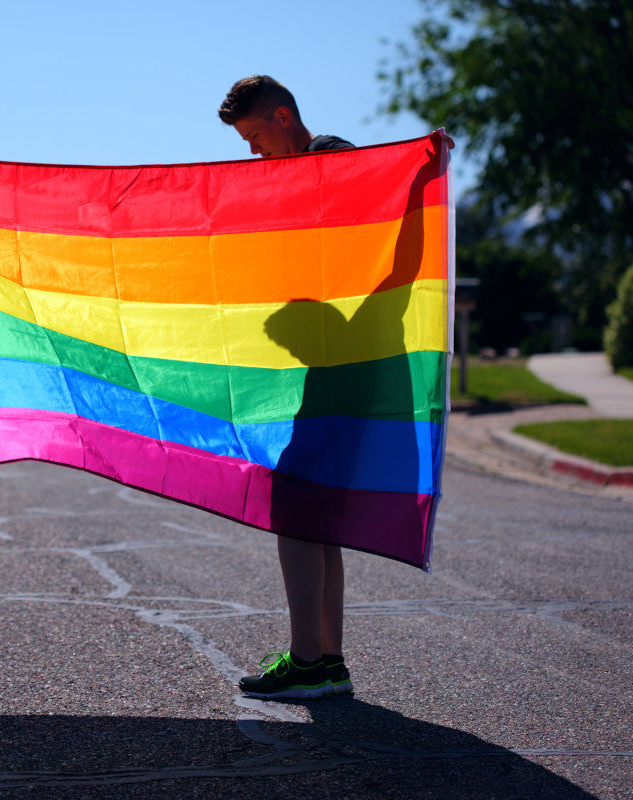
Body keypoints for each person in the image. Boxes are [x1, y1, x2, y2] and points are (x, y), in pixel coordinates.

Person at [217, 76, 356, 700]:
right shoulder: (307, 170)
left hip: (342, 362)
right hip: (332, 363)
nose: (252, 153)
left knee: (296, 506)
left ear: (282, 115)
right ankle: (327, 661)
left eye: (254, 138)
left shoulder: (328, 159)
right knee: (316, 513)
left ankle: (307, 660)